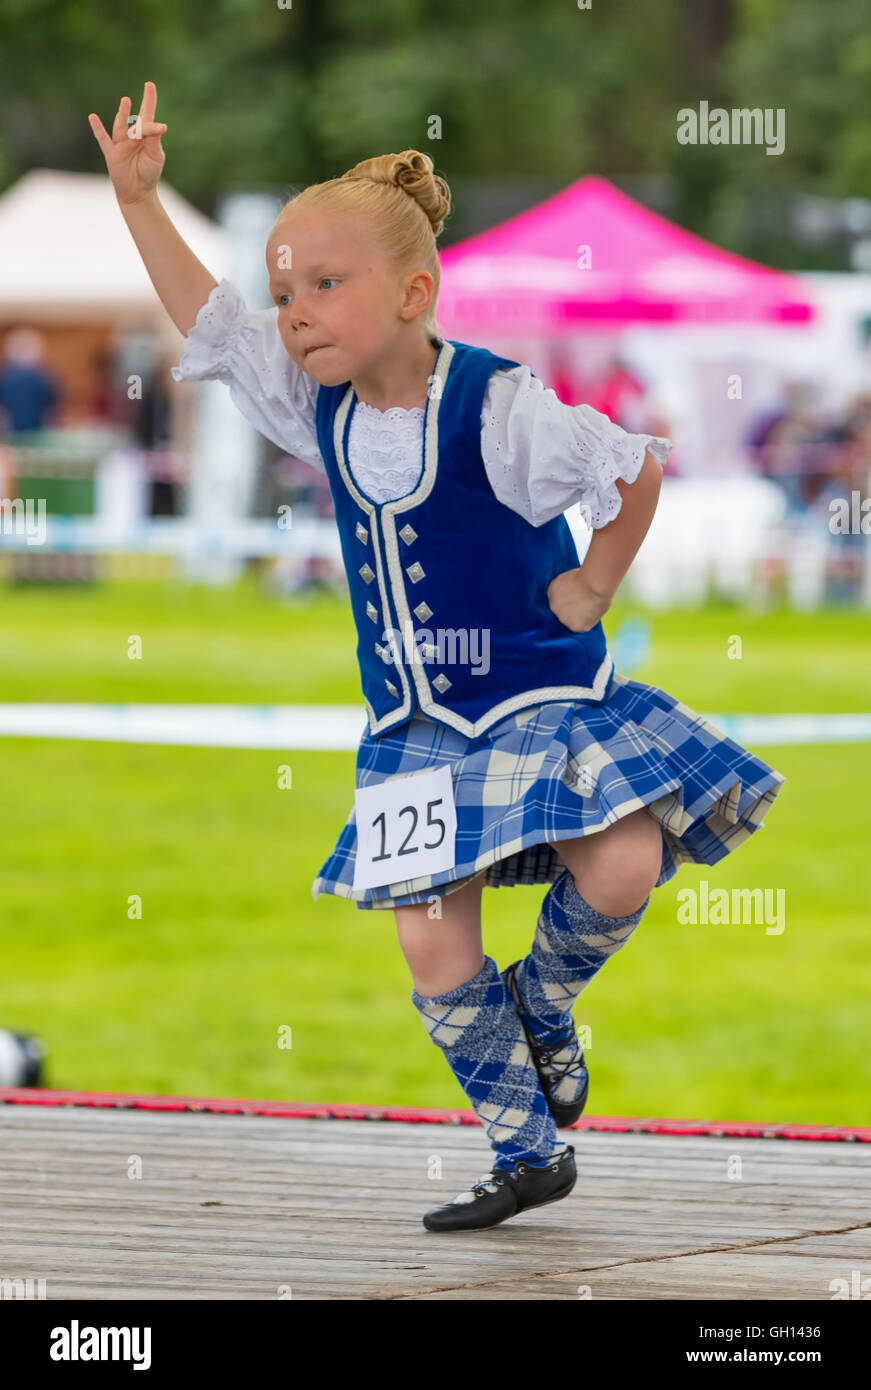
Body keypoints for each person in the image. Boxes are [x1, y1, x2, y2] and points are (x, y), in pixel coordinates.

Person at [90, 83, 787, 1234]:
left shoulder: (499, 407)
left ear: (414, 292)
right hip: (415, 728)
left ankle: (546, 1009)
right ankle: (526, 1150)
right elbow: (208, 322)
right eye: (285, 290)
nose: (294, 312)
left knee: (617, 867)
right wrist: (142, 202)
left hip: (539, 702)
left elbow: (634, 466)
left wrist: (593, 583)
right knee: (428, 938)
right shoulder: (312, 406)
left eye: (323, 284)